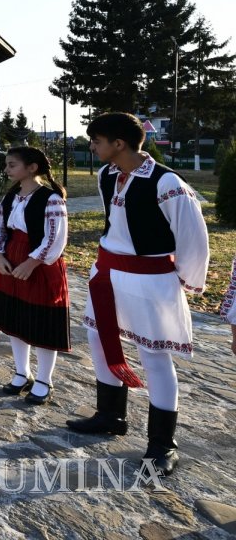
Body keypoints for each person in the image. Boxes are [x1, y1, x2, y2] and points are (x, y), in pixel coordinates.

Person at [65, 113, 209, 476]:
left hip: (150, 278)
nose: (91, 146)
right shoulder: (107, 175)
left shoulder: (167, 183)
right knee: (99, 339)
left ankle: (163, 443)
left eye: (96, 140)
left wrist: (185, 282)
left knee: (155, 356)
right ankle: (111, 414)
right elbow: (115, 223)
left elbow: (192, 237)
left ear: (119, 143)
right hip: (108, 272)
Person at [0, 146, 70, 407]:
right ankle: (22, 372)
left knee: (42, 321)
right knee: (16, 317)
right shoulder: (11, 197)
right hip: (12, 259)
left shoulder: (51, 199)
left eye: (12, 165)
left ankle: (45, 380)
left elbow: (55, 236)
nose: (7, 169)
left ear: (32, 167)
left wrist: (33, 262)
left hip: (40, 263)